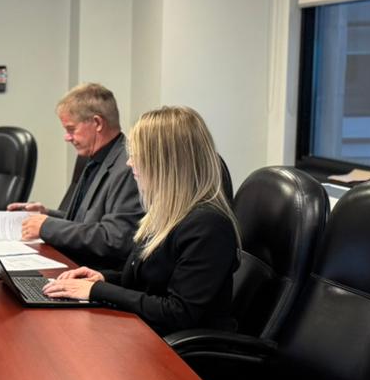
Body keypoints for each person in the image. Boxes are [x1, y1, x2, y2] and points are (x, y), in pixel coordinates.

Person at [43, 106, 240, 336]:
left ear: (164, 162)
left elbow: (178, 313)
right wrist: (102, 278)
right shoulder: (165, 212)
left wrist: (97, 290)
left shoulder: (208, 226)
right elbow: (146, 283)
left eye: (137, 155)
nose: (129, 163)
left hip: (176, 349)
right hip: (145, 331)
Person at [7, 82, 143, 269]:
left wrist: (47, 226)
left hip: (97, 274)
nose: (67, 137)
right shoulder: (97, 157)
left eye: (71, 129)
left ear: (97, 123)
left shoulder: (128, 167)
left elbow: (116, 238)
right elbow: (86, 220)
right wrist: (47, 214)